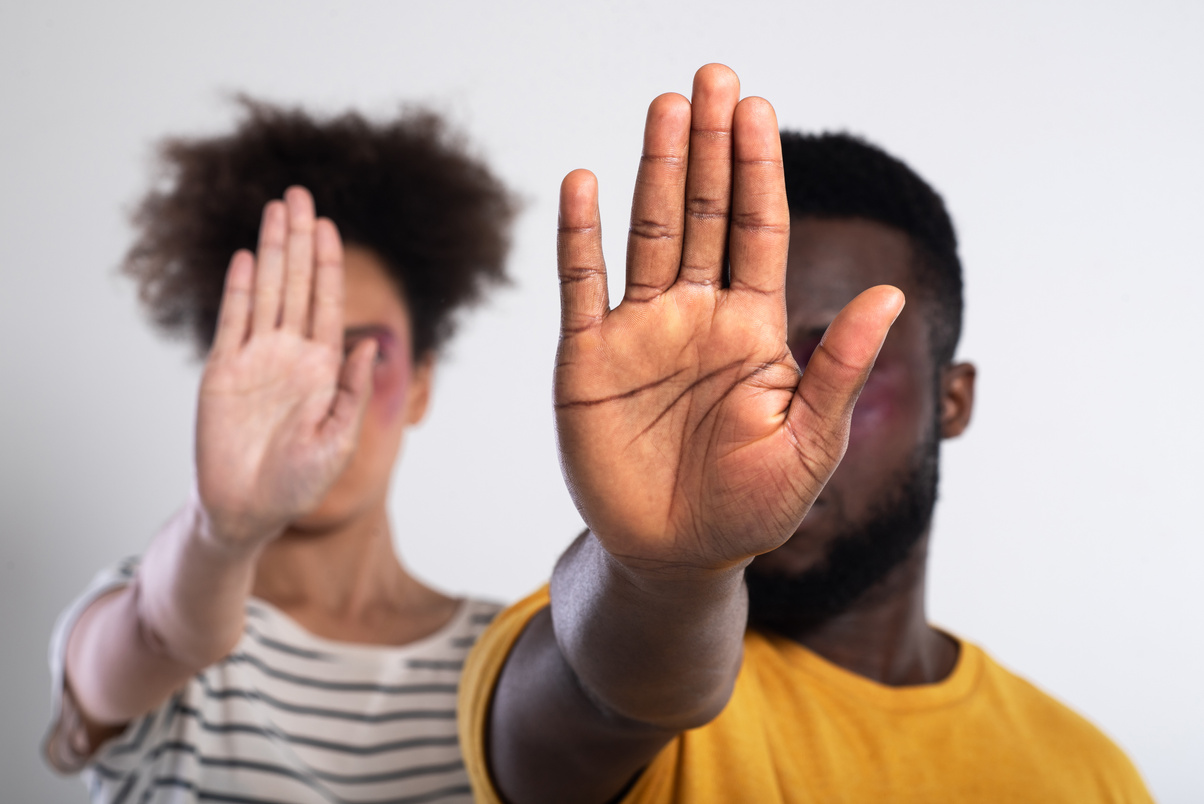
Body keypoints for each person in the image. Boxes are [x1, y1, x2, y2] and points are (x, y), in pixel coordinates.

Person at [458, 64, 1153, 802]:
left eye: (834, 357)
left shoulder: (1089, 775)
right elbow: (607, 696)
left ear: (953, 401)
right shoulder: (609, 643)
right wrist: (666, 573)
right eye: (728, 362)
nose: (774, 403)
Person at [44, 100, 516, 803]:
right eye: (287, 354)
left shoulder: (512, 658)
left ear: (421, 384)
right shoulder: (155, 599)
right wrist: (220, 531)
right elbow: (162, 635)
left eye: (366, 353)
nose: (320, 396)